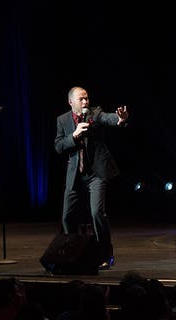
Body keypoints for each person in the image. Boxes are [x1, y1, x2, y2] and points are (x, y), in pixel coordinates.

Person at [54, 86, 128, 270]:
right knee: (67, 216)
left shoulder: (95, 113)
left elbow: (107, 118)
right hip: (75, 175)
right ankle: (72, 253)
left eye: (87, 98)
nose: (86, 102)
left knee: (97, 213)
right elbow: (58, 146)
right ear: (71, 102)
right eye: (81, 99)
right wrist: (74, 136)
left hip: (96, 173)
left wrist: (119, 119)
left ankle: (105, 255)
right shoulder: (62, 120)